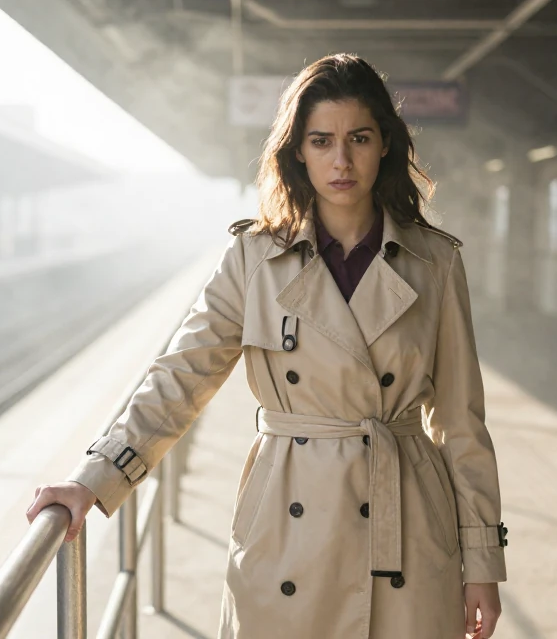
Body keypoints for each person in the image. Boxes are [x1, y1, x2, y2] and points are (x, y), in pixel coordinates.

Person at [27, 53, 508, 639]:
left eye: (358, 138)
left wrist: (483, 563)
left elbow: (461, 422)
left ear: (384, 143)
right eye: (321, 140)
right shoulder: (255, 259)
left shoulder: (435, 262)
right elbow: (182, 374)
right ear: (297, 151)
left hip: (405, 530)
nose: (341, 159)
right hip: (287, 528)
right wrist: (95, 477)